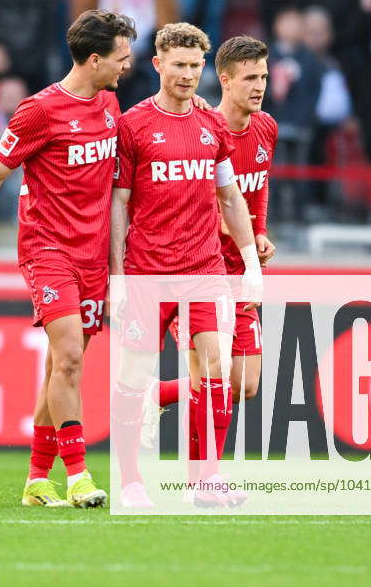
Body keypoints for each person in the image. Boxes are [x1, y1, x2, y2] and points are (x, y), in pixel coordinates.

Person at [0, 9, 136, 508]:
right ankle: (79, 475)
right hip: (48, 251)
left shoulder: (109, 104)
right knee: (69, 359)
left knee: (59, 368)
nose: (128, 66)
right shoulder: (38, 111)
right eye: (122, 58)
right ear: (96, 58)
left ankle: (38, 480)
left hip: (92, 255)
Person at [109, 24, 262, 509]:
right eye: (179, 64)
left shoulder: (211, 126)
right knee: (134, 376)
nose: (188, 74)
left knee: (215, 365)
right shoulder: (132, 125)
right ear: (157, 64)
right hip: (147, 271)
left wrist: (252, 265)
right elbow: (119, 203)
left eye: (196, 65)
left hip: (204, 267)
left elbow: (230, 197)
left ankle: (206, 481)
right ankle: (130, 481)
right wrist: (116, 276)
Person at [146, 36, 279, 482]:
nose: (260, 86)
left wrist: (257, 234)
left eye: (263, 76)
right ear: (224, 80)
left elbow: (254, 193)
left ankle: (158, 395)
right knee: (212, 372)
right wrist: (231, 230)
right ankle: (200, 478)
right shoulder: (203, 126)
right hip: (200, 267)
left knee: (245, 384)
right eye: (250, 78)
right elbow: (202, 197)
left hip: (240, 270)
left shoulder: (266, 129)